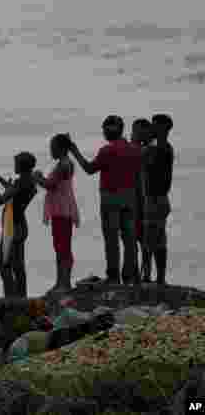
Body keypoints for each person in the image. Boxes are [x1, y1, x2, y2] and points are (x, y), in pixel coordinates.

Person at [66, 116, 143, 284]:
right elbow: (138, 176)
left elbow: (89, 168)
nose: (103, 132)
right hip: (130, 197)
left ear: (110, 130)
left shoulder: (106, 151)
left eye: (104, 129)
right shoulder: (134, 149)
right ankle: (130, 275)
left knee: (112, 239)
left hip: (110, 198)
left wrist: (74, 151)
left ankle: (113, 276)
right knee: (129, 238)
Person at [0, 152, 38, 299]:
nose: (14, 165)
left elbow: (1, 199)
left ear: (21, 166)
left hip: (11, 228)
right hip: (21, 225)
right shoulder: (30, 181)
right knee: (19, 267)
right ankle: (22, 297)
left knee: (5, 266)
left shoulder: (20, 183)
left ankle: (11, 298)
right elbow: (11, 188)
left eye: (16, 163)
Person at [33, 135, 80, 293]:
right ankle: (61, 281)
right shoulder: (64, 163)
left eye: (52, 147)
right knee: (60, 245)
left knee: (62, 246)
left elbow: (50, 185)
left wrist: (38, 177)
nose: (51, 150)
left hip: (62, 209)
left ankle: (64, 282)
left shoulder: (64, 165)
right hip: (61, 208)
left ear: (60, 148)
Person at [143, 114, 175, 285]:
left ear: (163, 128)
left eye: (154, 126)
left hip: (156, 199)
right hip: (157, 199)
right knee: (156, 239)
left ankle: (153, 277)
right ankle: (156, 276)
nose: (151, 129)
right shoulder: (162, 147)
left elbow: (146, 162)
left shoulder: (160, 148)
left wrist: (145, 144)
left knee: (153, 239)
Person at [130, 118, 154, 281]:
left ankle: (145, 274)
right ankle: (139, 274)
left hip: (144, 200)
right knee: (135, 239)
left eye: (137, 131)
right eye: (134, 131)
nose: (134, 134)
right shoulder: (137, 150)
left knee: (145, 241)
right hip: (134, 199)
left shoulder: (147, 151)